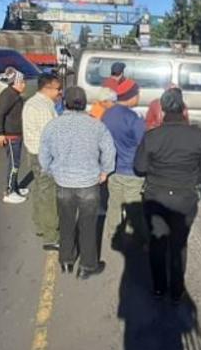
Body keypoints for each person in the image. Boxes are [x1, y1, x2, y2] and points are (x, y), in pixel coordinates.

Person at [134, 88, 201, 303]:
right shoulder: (198, 135)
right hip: (185, 196)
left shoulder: (152, 136)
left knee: (158, 242)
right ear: (184, 109)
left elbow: (139, 168)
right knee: (179, 244)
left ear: (163, 110)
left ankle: (159, 287)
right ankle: (177, 290)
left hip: (156, 195)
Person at [40, 86, 116, 279]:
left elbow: (44, 155)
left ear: (64, 102)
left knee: (66, 222)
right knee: (88, 225)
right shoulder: (96, 125)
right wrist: (105, 171)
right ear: (84, 104)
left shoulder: (52, 126)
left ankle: (66, 260)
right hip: (88, 182)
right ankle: (87, 265)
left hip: (64, 182)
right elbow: (109, 150)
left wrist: (50, 170)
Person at [101, 78, 146, 243]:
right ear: (132, 96)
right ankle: (137, 238)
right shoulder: (134, 118)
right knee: (134, 206)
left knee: (114, 204)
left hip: (113, 168)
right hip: (132, 170)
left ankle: (113, 234)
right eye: (138, 94)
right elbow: (143, 145)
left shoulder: (107, 115)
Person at [22, 73, 63, 249]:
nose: (60, 92)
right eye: (58, 89)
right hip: (44, 157)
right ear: (47, 88)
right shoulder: (43, 108)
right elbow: (50, 137)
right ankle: (51, 236)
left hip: (34, 153)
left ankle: (40, 224)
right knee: (49, 196)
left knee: (40, 189)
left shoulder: (34, 103)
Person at [0, 67, 27, 204]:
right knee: (14, 164)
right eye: (22, 82)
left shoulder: (14, 94)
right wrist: (0, 133)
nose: (24, 84)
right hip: (11, 135)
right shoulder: (8, 95)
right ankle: (9, 191)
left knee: (16, 164)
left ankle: (15, 187)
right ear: (16, 82)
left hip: (17, 134)